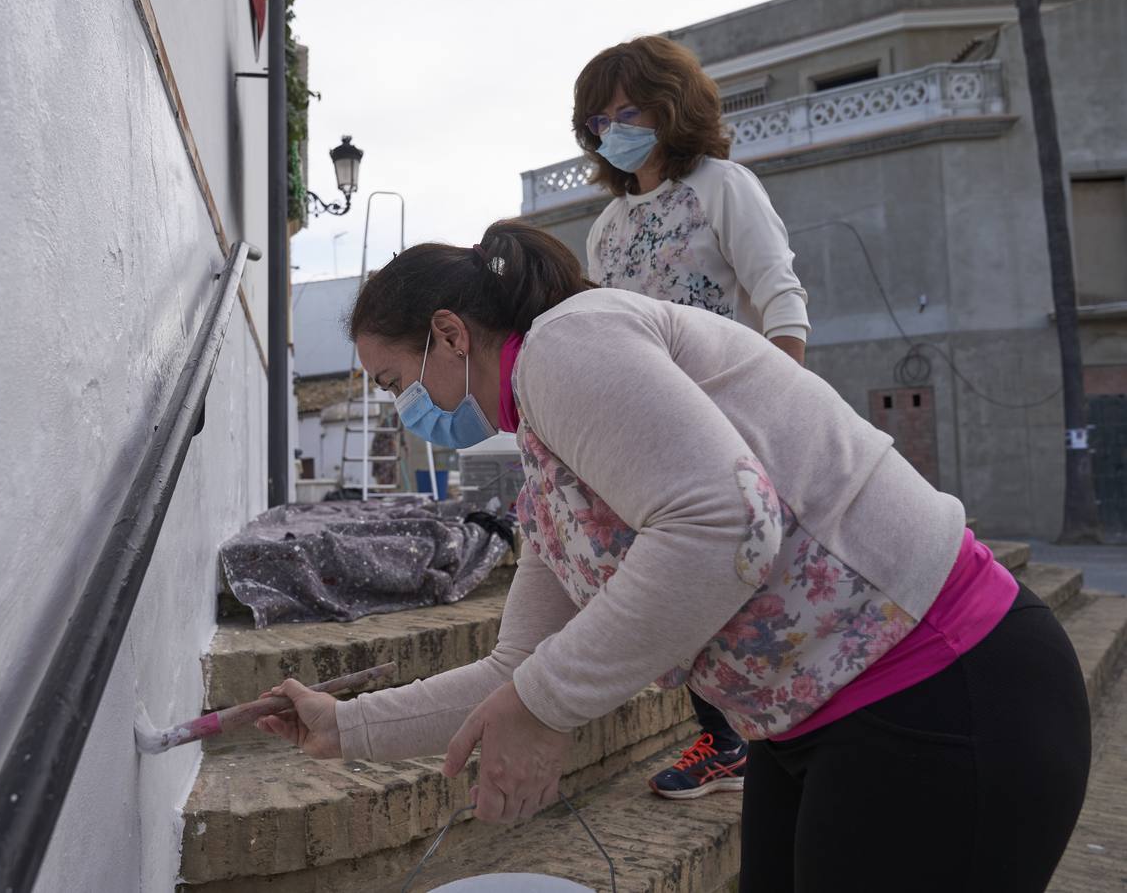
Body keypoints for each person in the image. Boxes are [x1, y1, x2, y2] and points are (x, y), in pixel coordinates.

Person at [255, 221, 1090, 892]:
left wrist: (544, 709)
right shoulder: (549, 468)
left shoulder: (565, 344)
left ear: (448, 334)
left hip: (946, 685)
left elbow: (725, 522)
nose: (406, 408)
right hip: (813, 725)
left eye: (397, 377)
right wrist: (346, 727)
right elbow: (519, 665)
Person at [572, 35, 812, 797]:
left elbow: (779, 294)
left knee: (757, 577)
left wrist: (786, 405)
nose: (615, 126)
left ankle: (788, 728)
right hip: (646, 429)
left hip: (730, 413)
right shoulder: (605, 228)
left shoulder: (721, 186)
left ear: (671, 107)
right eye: (601, 116)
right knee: (677, 582)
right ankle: (726, 739)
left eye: (630, 108)